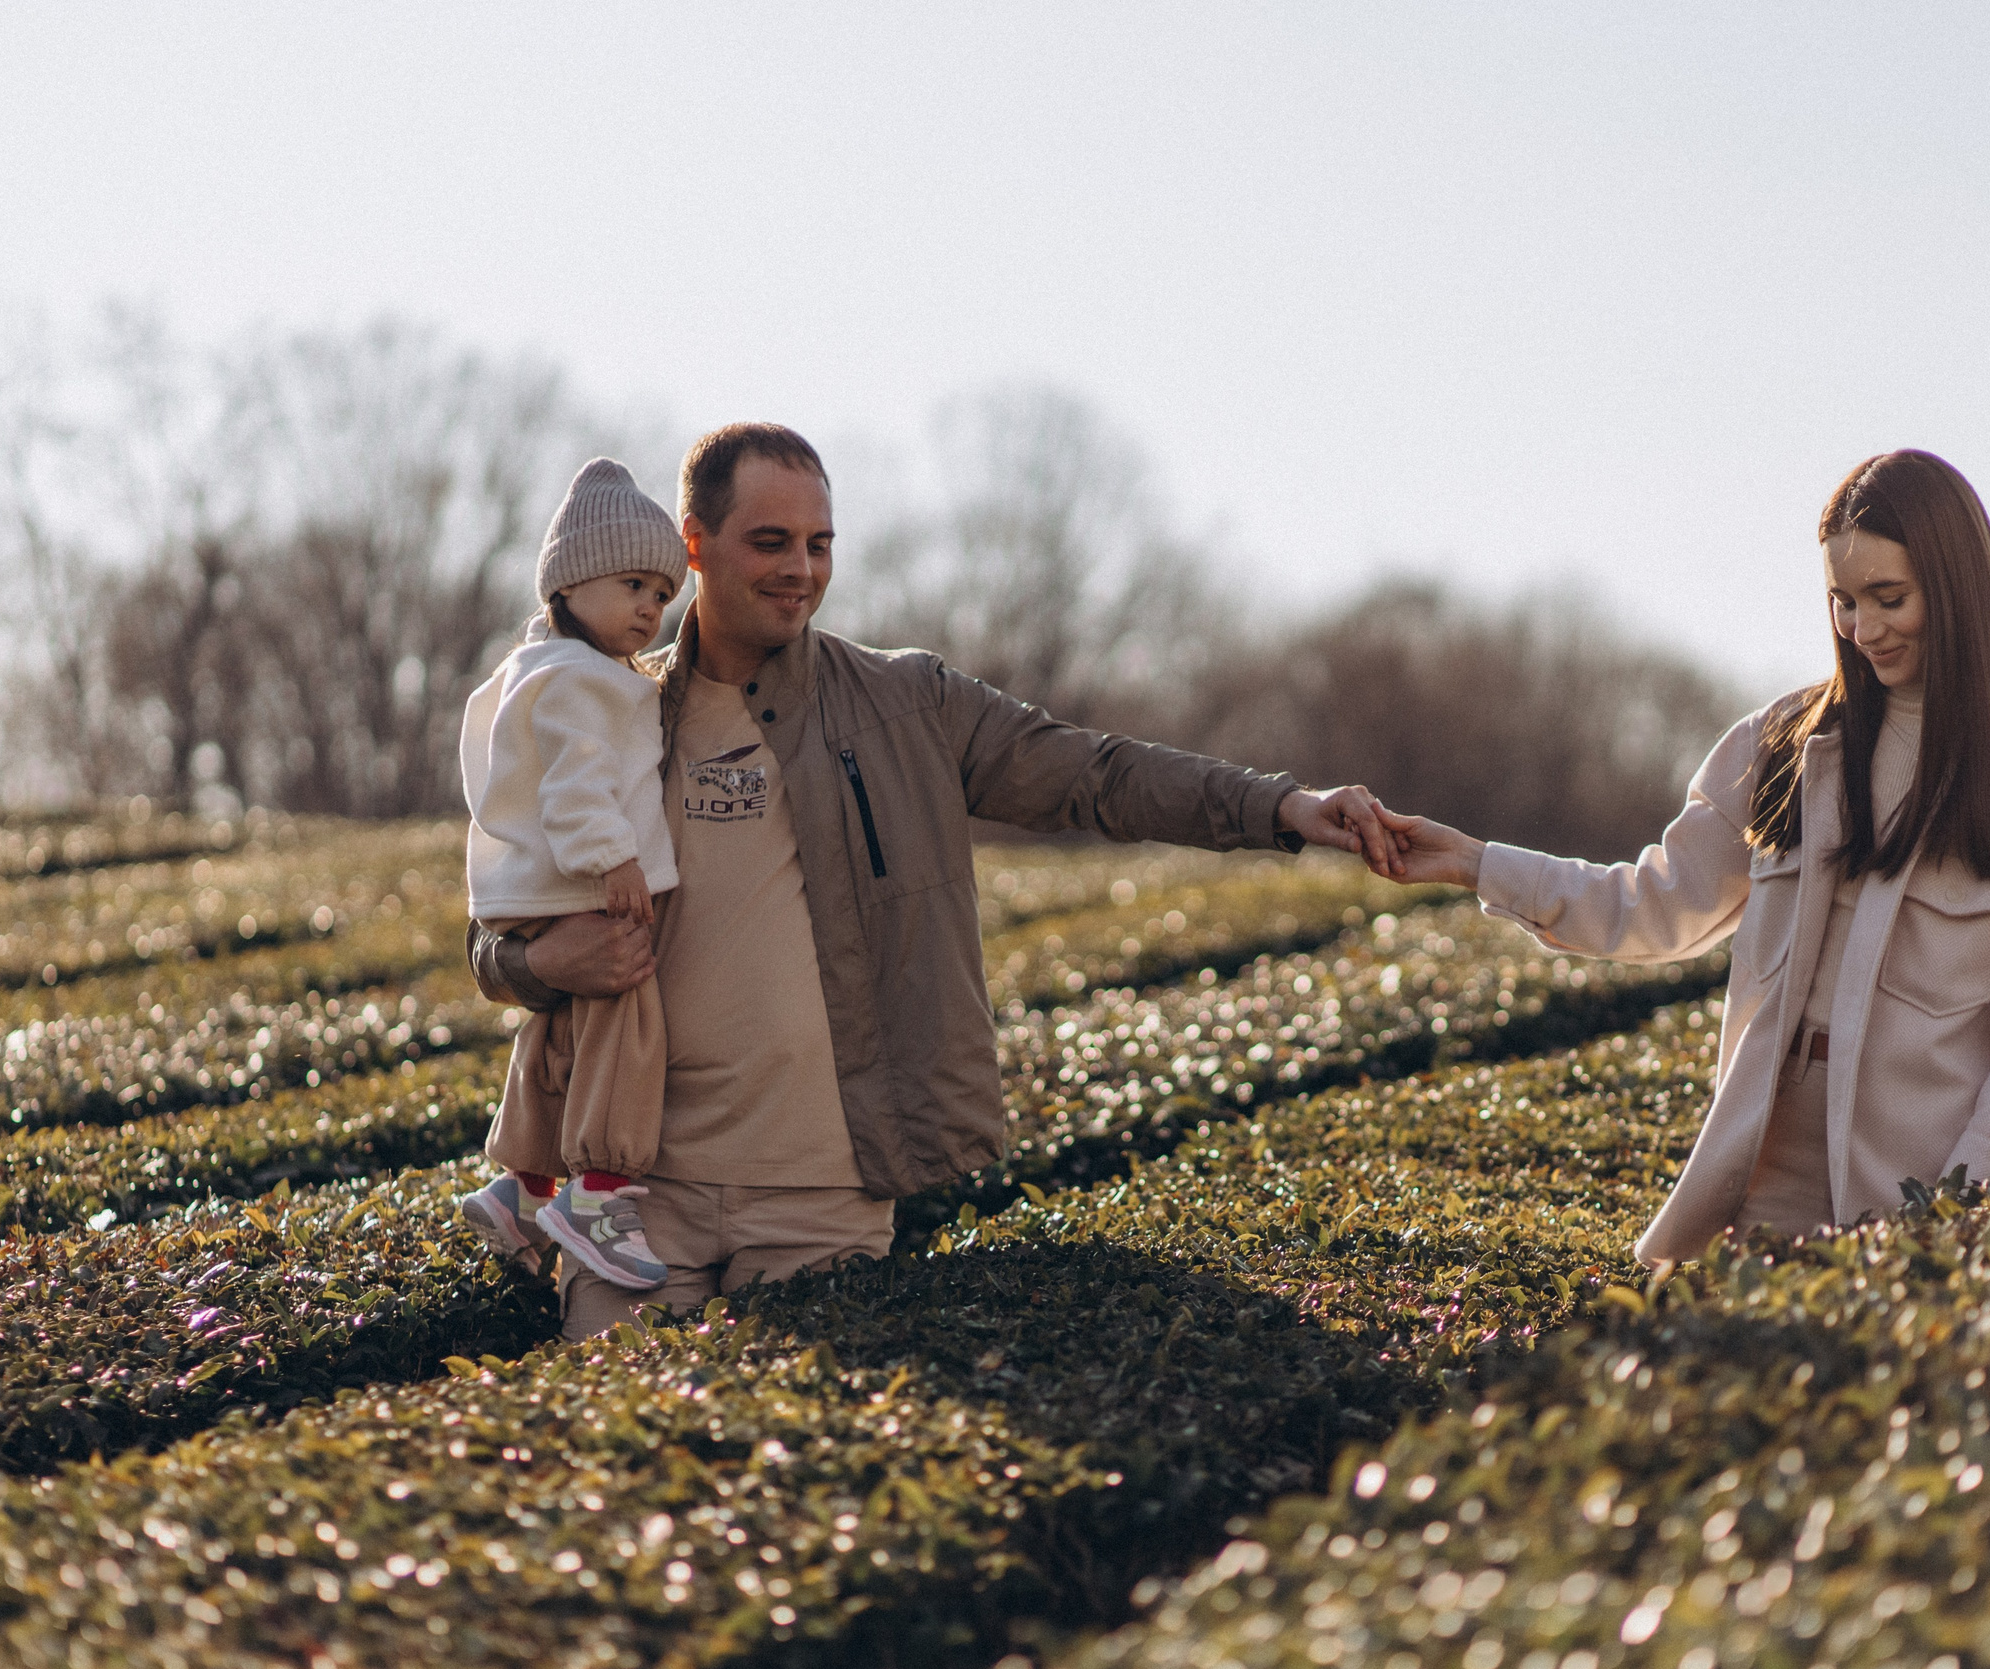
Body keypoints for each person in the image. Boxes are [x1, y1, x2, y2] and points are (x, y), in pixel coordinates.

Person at [469, 422, 1400, 1336]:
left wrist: (1282, 806)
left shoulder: (905, 702)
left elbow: (1097, 774)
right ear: (694, 545)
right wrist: (541, 962)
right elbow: (498, 918)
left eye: (820, 544)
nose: (801, 569)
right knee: (616, 1421)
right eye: (771, 541)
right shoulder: (610, 712)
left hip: (822, 1200)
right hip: (635, 1200)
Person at [1372, 449, 1990, 1261]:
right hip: (1756, 1195)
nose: (1864, 629)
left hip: (1919, 1202)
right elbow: (1651, 903)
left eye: (1889, 598)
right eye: (1843, 602)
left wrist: (1949, 1223)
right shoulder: (1782, 746)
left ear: (1956, 585)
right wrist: (1474, 861)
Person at [456, 458, 686, 1293]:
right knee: (627, 1020)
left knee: (557, 1033)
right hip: (578, 879)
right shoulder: (579, 681)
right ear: (571, 583)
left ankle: (523, 1188)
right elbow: (576, 782)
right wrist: (613, 857)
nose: (650, 609)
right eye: (632, 584)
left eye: (662, 593)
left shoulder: (540, 667)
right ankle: (600, 1190)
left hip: (532, 891)